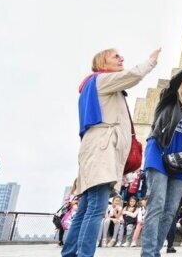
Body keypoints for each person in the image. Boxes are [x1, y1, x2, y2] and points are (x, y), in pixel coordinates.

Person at [64, 46, 161, 257]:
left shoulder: (96, 84)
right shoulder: (102, 80)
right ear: (102, 64)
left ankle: (70, 253)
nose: (122, 58)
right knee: (96, 208)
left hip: (96, 148)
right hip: (102, 149)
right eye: (116, 56)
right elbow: (132, 75)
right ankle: (84, 254)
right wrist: (150, 61)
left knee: (85, 209)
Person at [140, 41, 182, 257]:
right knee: (157, 205)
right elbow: (174, 81)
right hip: (159, 153)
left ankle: (155, 251)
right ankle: (149, 253)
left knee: (169, 212)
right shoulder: (167, 100)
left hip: (179, 163)